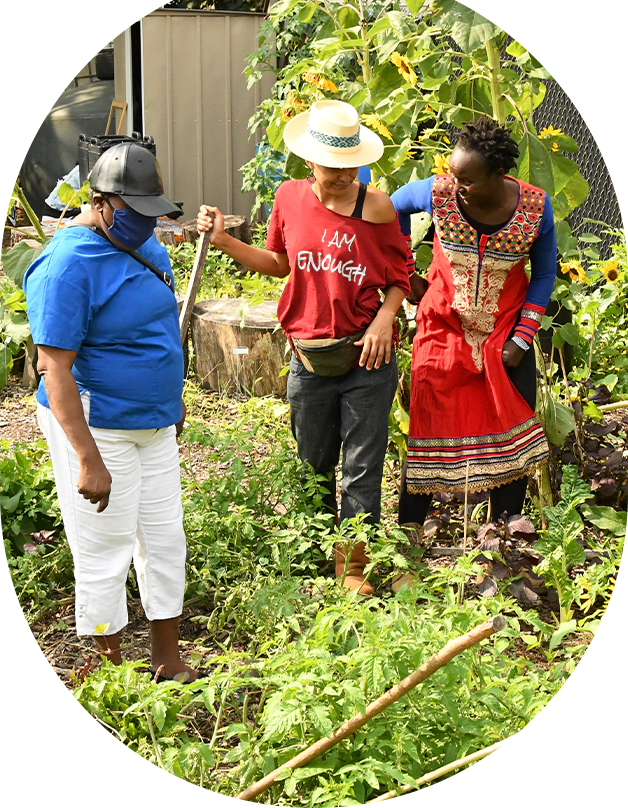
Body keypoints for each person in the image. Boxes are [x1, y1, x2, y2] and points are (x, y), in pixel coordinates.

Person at [197, 99, 412, 595]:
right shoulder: (289, 197)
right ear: (308, 160)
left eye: (348, 168)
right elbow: (277, 262)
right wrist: (224, 239)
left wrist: (385, 318)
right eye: (330, 168)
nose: (339, 177)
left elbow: (400, 276)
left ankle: (352, 570)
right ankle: (312, 559)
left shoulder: (375, 206)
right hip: (308, 356)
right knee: (311, 463)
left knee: (362, 466)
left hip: (366, 355)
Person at [23, 141, 199, 682]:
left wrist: (172, 402)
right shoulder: (65, 266)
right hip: (99, 427)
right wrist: (87, 458)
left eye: (154, 214)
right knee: (106, 548)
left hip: (154, 423)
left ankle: (167, 660)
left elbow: (156, 333)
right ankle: (109, 675)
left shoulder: (148, 247)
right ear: (99, 202)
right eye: (133, 214)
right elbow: (54, 369)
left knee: (165, 539)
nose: (147, 225)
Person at [391, 116, 557, 529]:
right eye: (452, 174)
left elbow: (544, 274)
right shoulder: (438, 193)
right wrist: (406, 271)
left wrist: (522, 338)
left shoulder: (535, 209)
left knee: (511, 423)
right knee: (428, 422)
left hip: (505, 332)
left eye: (466, 180)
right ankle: (409, 535)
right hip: (441, 328)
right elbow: (390, 208)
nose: (454, 185)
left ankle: (503, 534)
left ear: (499, 175)